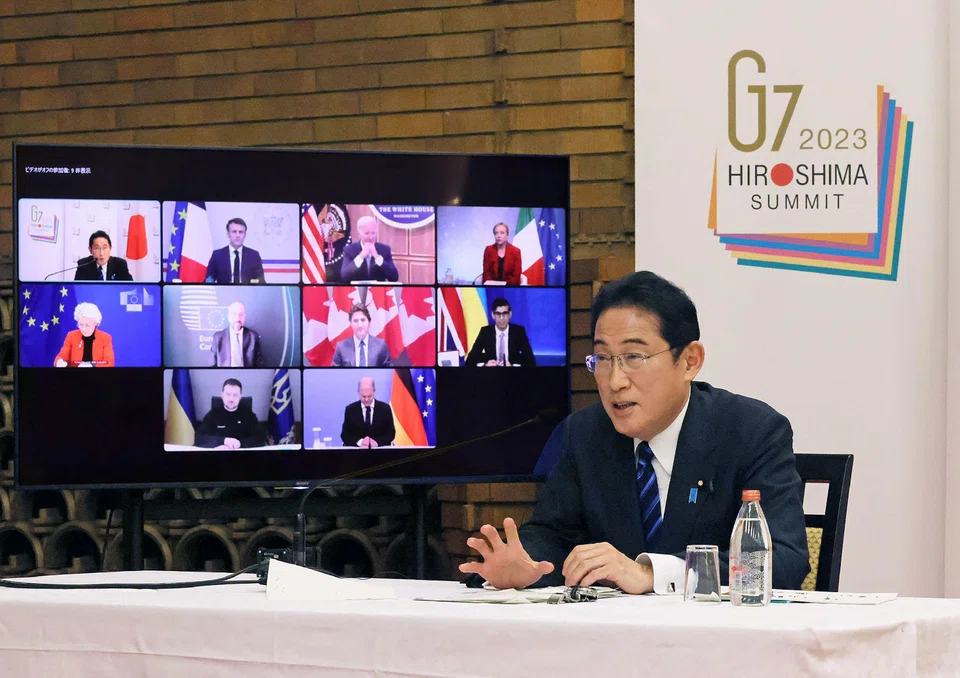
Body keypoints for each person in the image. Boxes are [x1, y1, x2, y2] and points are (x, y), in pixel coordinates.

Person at [459, 271, 809, 593]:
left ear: (689, 361)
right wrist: (528, 565)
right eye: (603, 359)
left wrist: (651, 574)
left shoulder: (751, 432)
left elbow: (783, 560)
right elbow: (554, 534)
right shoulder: (583, 434)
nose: (615, 381)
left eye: (634, 357)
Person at [195, 378, 266, 449]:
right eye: (228, 394)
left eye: (235, 395)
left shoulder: (248, 415)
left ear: (240, 397)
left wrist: (240, 443)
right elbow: (199, 438)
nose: (231, 399)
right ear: (222, 395)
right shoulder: (213, 414)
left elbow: (260, 438)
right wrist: (224, 441)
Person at [464, 298, 536, 367]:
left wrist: (512, 367)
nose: (502, 318)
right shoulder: (485, 332)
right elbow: (470, 361)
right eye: (498, 314)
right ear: (493, 315)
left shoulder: (519, 332)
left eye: (505, 313)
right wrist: (485, 366)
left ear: (510, 314)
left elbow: (531, 362)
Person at [54, 302, 116, 367]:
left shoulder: (105, 338)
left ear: (95, 323)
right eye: (81, 324)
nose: (83, 329)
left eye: (87, 325)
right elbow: (62, 356)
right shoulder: (71, 336)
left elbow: (109, 362)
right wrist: (60, 362)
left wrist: (92, 365)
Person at [205, 217, 265, 284]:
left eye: (240, 232)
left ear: (245, 235)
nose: (237, 235)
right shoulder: (217, 255)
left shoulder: (254, 256)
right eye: (234, 232)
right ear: (228, 234)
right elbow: (209, 280)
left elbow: (261, 282)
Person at [340, 215, 399, 283]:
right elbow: (344, 276)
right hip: (356, 292)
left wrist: (377, 257)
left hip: (378, 292)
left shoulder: (385, 250)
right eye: (367, 233)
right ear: (358, 234)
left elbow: (394, 278)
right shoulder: (349, 250)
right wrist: (361, 256)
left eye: (373, 233)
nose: (371, 237)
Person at [340, 377, 396, 448]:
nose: (366, 400)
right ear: (358, 392)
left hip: (380, 453)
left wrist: (377, 442)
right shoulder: (350, 409)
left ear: (374, 391)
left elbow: (391, 433)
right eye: (363, 396)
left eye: (369, 396)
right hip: (357, 454)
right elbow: (345, 435)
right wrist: (360, 442)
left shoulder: (385, 409)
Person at [209, 302, 265, 367]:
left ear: (245, 317)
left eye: (241, 314)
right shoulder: (218, 337)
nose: (237, 318)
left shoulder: (253, 337)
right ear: (228, 317)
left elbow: (259, 364)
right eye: (234, 314)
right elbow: (212, 364)